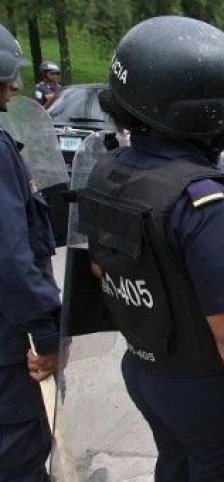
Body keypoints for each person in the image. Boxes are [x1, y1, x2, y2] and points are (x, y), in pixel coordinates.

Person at [82, 16, 224, 479]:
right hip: (208, 389)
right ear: (196, 116)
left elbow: (101, 269)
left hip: (146, 371)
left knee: (177, 466)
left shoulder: (109, 173)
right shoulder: (206, 204)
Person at [0, 24, 61, 481]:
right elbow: (10, 255)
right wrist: (44, 332)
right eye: (6, 76)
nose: (15, 86)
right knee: (20, 457)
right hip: (6, 347)